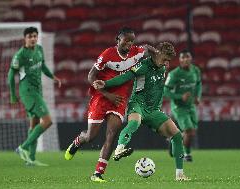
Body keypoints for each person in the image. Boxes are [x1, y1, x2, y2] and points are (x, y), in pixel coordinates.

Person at [64, 27, 157, 182]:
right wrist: (108, 94)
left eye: (131, 40)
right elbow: (91, 76)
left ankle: (98, 174)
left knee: (111, 135)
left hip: (119, 101)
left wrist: (160, 59)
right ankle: (79, 140)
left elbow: (148, 48)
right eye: (126, 40)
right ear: (118, 40)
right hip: (101, 97)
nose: (129, 43)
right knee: (91, 136)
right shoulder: (107, 54)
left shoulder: (137, 52)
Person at [93, 42, 190, 181]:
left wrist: (163, 62)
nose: (166, 63)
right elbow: (125, 77)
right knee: (135, 122)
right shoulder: (143, 66)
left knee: (177, 136)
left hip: (153, 110)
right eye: (165, 59)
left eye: (168, 60)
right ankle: (120, 149)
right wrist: (106, 84)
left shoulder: (162, 67)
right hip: (137, 104)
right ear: (158, 54)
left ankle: (180, 175)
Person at [7, 27, 61, 166]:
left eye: (35, 36)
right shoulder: (21, 55)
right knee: (47, 121)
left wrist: (52, 77)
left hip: (37, 91)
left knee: (35, 123)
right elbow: (11, 75)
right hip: (28, 92)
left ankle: (30, 159)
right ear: (25, 38)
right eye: (30, 36)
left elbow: (42, 66)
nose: (33, 38)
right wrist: (13, 95)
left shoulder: (39, 49)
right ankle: (22, 147)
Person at [164, 49, 202, 162]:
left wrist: (198, 96)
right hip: (179, 107)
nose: (185, 59)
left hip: (191, 106)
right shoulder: (174, 74)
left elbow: (199, 84)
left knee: (191, 132)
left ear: (191, 58)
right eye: (183, 57)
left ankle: (174, 139)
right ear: (179, 60)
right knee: (189, 130)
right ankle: (187, 154)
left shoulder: (195, 70)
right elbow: (165, 91)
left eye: (187, 57)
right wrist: (180, 97)